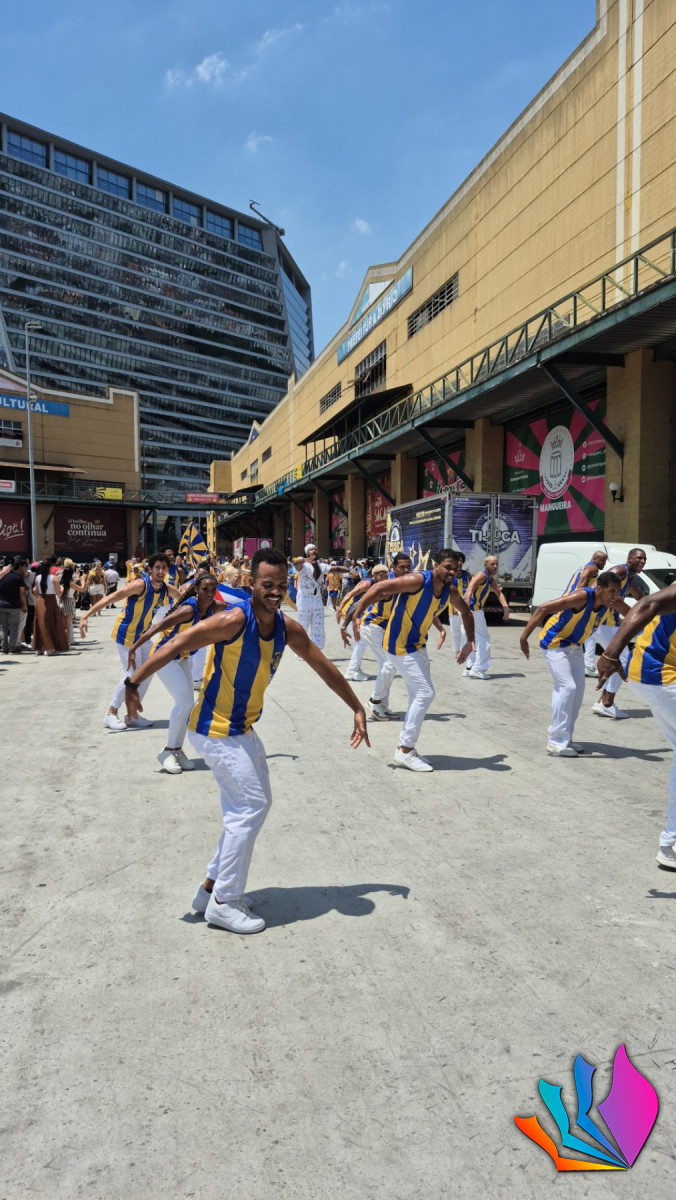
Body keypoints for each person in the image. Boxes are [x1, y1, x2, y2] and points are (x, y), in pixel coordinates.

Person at [122, 547, 369, 934]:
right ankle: (224, 902)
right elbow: (176, 644)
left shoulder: (287, 629)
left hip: (243, 729)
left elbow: (322, 665)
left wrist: (356, 706)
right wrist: (132, 683)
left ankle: (210, 888)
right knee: (249, 807)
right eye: (267, 584)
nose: (275, 591)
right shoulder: (234, 620)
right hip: (214, 728)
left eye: (281, 584)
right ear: (251, 583)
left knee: (256, 804)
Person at [351, 549, 474, 771]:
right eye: (448, 567)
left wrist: (469, 641)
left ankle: (406, 748)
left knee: (418, 694)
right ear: (436, 566)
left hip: (417, 645)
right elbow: (378, 588)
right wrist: (357, 615)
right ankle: (405, 750)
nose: (452, 571)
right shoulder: (417, 581)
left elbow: (466, 612)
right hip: (398, 645)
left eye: (456, 568)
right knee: (426, 693)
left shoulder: (450, 591)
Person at [596, 584, 676, 870]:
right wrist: (611, 652)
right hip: (660, 673)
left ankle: (671, 842)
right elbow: (646, 605)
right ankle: (672, 842)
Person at [128, 571, 223, 773]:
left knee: (188, 705)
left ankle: (177, 750)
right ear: (196, 590)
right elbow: (158, 626)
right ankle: (167, 751)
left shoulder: (214, 607)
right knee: (185, 701)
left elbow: (240, 609)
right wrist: (134, 647)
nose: (209, 593)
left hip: (183, 657)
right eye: (205, 589)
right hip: (164, 656)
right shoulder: (188, 610)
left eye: (213, 590)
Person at [519, 571, 622, 756]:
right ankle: (555, 741)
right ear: (599, 589)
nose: (615, 596)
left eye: (618, 591)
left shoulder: (611, 602)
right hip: (555, 643)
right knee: (567, 687)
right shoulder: (582, 597)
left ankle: (565, 738)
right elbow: (543, 608)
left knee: (578, 691)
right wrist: (523, 637)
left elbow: (634, 615)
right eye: (612, 591)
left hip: (574, 646)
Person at [79, 552, 181, 730]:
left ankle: (132, 714)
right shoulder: (140, 585)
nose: (160, 571)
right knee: (132, 676)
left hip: (143, 636)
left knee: (148, 671)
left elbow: (185, 599)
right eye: (157, 567)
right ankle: (111, 713)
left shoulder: (166, 589)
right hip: (126, 635)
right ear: (150, 569)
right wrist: (86, 615)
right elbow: (111, 597)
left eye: (164, 568)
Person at [591, 547, 647, 720]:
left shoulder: (629, 577)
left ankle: (603, 701)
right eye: (639, 558)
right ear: (629, 559)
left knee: (619, 659)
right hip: (602, 622)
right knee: (622, 660)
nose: (642, 561)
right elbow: (597, 587)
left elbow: (639, 596)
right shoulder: (620, 571)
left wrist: (658, 607)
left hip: (610, 623)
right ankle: (606, 703)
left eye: (644, 559)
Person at [563, 549, 609, 676]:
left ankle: (582, 664)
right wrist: (579, 600)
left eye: (605, 561)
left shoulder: (584, 567)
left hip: (568, 600)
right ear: (594, 559)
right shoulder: (592, 568)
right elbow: (582, 582)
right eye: (602, 561)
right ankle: (584, 665)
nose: (604, 564)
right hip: (574, 602)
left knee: (585, 633)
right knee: (586, 633)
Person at [339, 563, 389, 681]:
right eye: (380, 575)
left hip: (359, 615)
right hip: (351, 614)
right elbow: (352, 596)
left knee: (360, 643)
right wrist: (340, 608)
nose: (383, 578)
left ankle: (354, 670)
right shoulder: (367, 584)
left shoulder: (380, 587)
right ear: (374, 575)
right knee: (360, 642)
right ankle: (352, 671)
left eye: (385, 575)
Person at [463, 555, 510, 679]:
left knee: (471, 639)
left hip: (471, 611)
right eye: (492, 564)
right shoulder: (482, 575)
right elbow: (469, 589)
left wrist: (505, 607)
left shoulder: (490, 578)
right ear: (485, 565)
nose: (495, 566)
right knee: (483, 639)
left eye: (496, 564)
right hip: (474, 611)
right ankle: (478, 669)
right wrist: (467, 608)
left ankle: (469, 667)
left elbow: (498, 593)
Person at [294, 543, 330, 649]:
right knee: (303, 624)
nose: (314, 550)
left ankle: (317, 649)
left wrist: (348, 570)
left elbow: (335, 568)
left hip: (317, 598)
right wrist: (308, 559)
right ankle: (300, 649)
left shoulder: (320, 565)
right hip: (304, 598)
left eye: (315, 549)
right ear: (306, 552)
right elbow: (296, 563)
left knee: (318, 625)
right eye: (311, 549)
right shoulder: (303, 564)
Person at [32, 557, 69, 654]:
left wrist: (39, 597)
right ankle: (49, 648)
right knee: (50, 623)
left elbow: (35, 590)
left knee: (40, 622)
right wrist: (62, 588)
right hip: (50, 600)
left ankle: (39, 647)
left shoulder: (37, 577)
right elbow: (59, 593)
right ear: (50, 568)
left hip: (40, 600)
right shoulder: (54, 578)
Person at [0, 556, 28, 654]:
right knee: (14, 627)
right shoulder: (17, 577)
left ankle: (4, 646)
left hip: (1, 605)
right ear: (14, 565)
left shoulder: (1, 576)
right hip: (14, 605)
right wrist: (24, 605)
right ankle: (12, 647)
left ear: (4, 564)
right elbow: (22, 592)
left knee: (3, 627)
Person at [450, 552, 471, 655]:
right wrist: (454, 607)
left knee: (464, 629)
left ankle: (464, 650)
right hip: (453, 606)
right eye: (457, 561)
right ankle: (456, 650)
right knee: (455, 630)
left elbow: (474, 587)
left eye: (461, 561)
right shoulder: (450, 576)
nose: (459, 563)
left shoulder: (467, 575)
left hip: (465, 606)